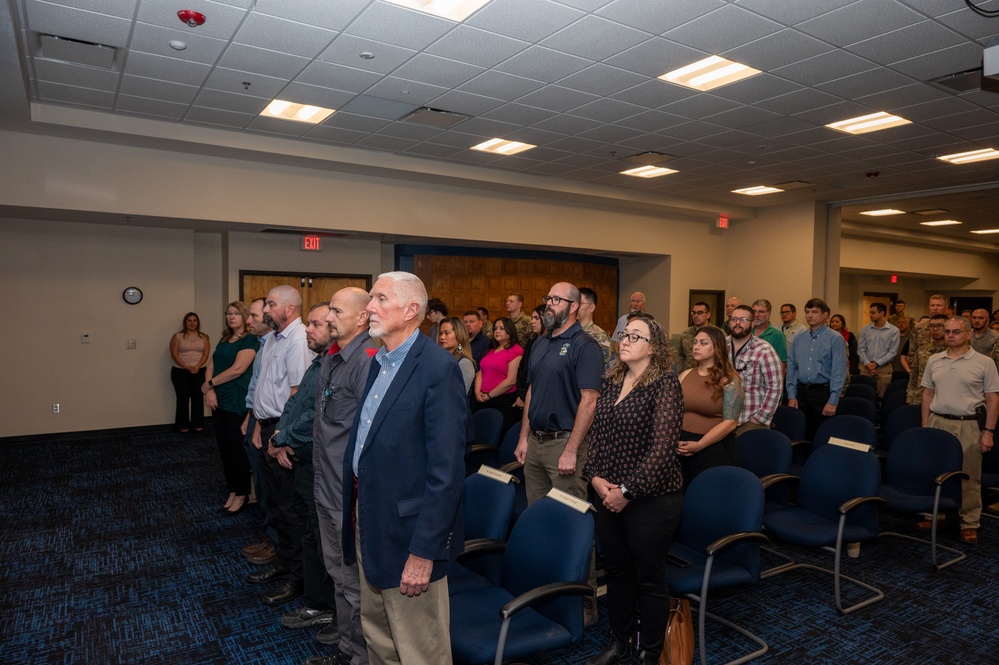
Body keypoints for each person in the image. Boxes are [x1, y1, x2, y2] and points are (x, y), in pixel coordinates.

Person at [343, 271, 466, 665]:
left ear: (412, 310)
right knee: (378, 637)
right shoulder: (380, 361)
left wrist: (424, 551)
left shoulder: (437, 369)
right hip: (372, 519)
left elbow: (446, 473)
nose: (369, 308)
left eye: (380, 299)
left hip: (409, 536)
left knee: (420, 651)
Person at [585, 313, 683, 665]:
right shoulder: (611, 380)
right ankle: (620, 643)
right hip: (608, 494)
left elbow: (662, 451)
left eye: (635, 336)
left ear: (653, 348)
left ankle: (650, 652)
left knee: (649, 580)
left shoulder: (665, 385)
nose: (624, 340)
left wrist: (625, 492)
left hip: (651, 500)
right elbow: (597, 438)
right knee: (618, 573)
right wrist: (595, 479)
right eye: (624, 334)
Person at [515, 282, 604, 624]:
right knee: (539, 523)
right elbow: (532, 392)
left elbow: (590, 400)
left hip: (565, 446)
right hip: (536, 444)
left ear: (574, 306)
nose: (548, 305)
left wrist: (571, 450)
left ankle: (583, 606)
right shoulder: (540, 343)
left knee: (573, 526)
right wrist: (523, 437)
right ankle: (545, 591)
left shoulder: (585, 346)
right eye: (546, 299)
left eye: (555, 300)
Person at [311, 287, 378, 665]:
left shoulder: (366, 359)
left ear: (361, 317)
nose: (329, 317)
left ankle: (359, 655)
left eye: (337, 311)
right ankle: (346, 645)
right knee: (336, 571)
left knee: (352, 581)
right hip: (325, 483)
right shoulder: (332, 357)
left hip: (346, 492)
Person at [246, 286, 314, 599]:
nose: (265, 311)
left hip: (282, 435)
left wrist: (281, 437)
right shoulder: (273, 338)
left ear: (288, 309)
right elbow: (265, 387)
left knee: (290, 510)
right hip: (268, 429)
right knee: (275, 504)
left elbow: (297, 394)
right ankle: (285, 564)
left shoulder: (298, 340)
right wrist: (259, 424)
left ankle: (298, 578)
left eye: (271, 304)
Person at [267, 304, 337, 611]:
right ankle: (304, 586)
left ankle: (318, 601)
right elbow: (295, 403)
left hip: (315, 463)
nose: (308, 329)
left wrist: (282, 438)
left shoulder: (334, 364)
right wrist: (280, 434)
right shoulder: (318, 362)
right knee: (299, 525)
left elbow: (317, 415)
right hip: (299, 456)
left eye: (315, 324)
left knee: (315, 535)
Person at [921, 316, 999, 544]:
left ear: (967, 334)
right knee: (935, 472)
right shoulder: (934, 359)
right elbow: (928, 394)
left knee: (969, 476)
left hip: (969, 424)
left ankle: (969, 522)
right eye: (947, 332)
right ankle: (936, 514)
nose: (950, 335)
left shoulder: (984, 362)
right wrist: (925, 426)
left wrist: (989, 431)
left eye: (956, 331)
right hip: (938, 422)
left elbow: (993, 399)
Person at [203, 301, 259, 513]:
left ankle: (242, 493)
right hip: (218, 399)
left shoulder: (250, 339)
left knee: (237, 451)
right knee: (224, 450)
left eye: (236, 313)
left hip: (237, 400)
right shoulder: (225, 338)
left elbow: (238, 369)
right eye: (228, 313)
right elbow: (211, 365)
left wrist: (209, 384)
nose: (231, 317)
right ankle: (233, 491)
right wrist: (209, 391)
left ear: (245, 316)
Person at [677, 326, 742, 488]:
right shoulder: (685, 375)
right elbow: (674, 412)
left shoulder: (730, 380)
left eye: (703, 343)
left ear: (717, 348)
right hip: (681, 446)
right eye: (695, 342)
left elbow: (730, 423)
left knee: (705, 496)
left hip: (712, 447)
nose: (696, 346)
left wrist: (699, 445)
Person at [786, 298, 847, 442]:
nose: (810, 315)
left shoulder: (835, 339)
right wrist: (791, 395)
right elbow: (792, 367)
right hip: (801, 393)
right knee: (801, 434)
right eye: (807, 312)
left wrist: (833, 400)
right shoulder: (799, 337)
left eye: (814, 312)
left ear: (826, 315)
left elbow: (839, 371)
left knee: (821, 435)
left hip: (823, 393)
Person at [727, 305, 782, 437]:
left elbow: (775, 388)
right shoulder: (721, 346)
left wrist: (759, 419)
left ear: (752, 324)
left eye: (743, 319)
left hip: (751, 421)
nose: (737, 323)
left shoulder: (764, 350)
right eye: (734, 319)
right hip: (724, 420)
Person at [473, 317, 523, 429]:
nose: (497, 331)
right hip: (483, 399)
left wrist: (490, 396)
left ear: (510, 331)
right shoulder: (491, 350)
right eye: (495, 328)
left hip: (503, 402)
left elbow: (511, 380)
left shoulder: (516, 350)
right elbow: (480, 372)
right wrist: (477, 392)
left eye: (501, 328)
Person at [169, 312, 209, 433]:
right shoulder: (178, 336)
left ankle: (198, 424)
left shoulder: (204, 337)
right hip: (180, 371)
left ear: (198, 323)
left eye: (194, 321)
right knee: (183, 398)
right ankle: (183, 425)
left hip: (199, 370)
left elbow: (206, 354)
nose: (192, 323)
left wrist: (198, 366)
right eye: (189, 321)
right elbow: (174, 354)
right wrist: (186, 366)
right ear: (185, 323)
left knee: (198, 397)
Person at [858, 303, 899, 397]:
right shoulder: (865, 329)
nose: (870, 315)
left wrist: (876, 364)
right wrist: (868, 364)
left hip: (883, 368)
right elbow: (861, 349)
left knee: (882, 396)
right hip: (865, 366)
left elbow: (892, 352)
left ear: (882, 313)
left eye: (873, 312)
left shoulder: (893, 330)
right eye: (870, 312)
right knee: (863, 394)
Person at [514, 304, 546, 410]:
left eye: (536, 318)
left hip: (539, 400)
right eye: (532, 318)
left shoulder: (552, 345)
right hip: (523, 396)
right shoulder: (531, 343)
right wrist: (520, 395)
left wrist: (524, 398)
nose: (532, 321)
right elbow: (522, 370)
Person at [438, 316, 476, 395]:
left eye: (447, 333)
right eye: (441, 333)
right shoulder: (439, 358)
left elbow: (458, 395)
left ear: (459, 335)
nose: (442, 337)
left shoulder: (465, 363)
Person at [578, 287, 613, 365]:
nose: (575, 307)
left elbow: (605, 364)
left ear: (591, 307)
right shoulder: (571, 331)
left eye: (580, 303)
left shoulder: (600, 335)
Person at [750, 299, 787, 364]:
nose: (756, 315)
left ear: (769, 314)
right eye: (754, 311)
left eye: (761, 312)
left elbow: (782, 363)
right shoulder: (746, 332)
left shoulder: (777, 335)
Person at [677, 301, 710, 370]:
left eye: (700, 313)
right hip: (689, 372)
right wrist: (680, 373)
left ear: (708, 315)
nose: (696, 316)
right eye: (694, 313)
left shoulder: (717, 333)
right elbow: (680, 356)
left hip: (710, 373)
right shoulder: (686, 333)